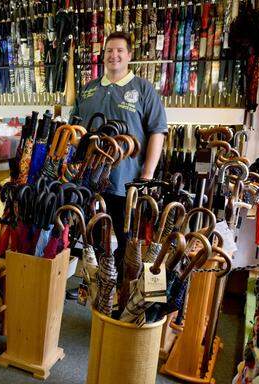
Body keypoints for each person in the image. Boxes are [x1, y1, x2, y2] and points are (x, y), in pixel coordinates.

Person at [70, 31, 167, 276]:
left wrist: (147, 174)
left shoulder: (143, 89)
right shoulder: (89, 89)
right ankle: (94, 283)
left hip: (125, 182)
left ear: (129, 55)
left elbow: (157, 131)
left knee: (126, 240)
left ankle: (121, 290)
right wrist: (72, 162)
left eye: (119, 51)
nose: (114, 55)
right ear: (103, 55)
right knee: (89, 235)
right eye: (109, 51)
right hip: (89, 179)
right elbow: (75, 131)